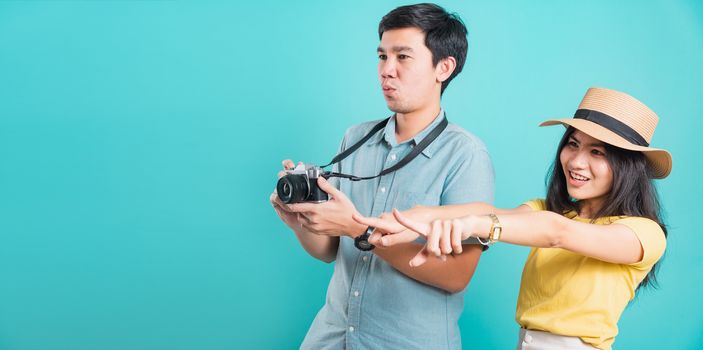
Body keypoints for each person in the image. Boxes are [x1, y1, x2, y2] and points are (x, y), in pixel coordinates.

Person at [355, 87, 671, 350]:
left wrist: (474, 227)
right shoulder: (548, 209)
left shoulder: (643, 233)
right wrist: (415, 218)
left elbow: (556, 233)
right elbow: (485, 211)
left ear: (628, 166)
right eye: (573, 144)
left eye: (597, 153)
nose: (576, 161)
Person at [270, 3, 494, 349]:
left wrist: (360, 229)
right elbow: (330, 250)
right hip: (331, 338)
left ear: (444, 68)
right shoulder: (354, 138)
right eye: (382, 56)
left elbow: (456, 276)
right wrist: (299, 220)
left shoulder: (466, 155)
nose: (386, 71)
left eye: (403, 57)